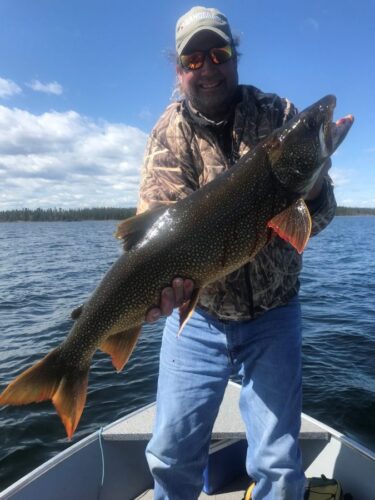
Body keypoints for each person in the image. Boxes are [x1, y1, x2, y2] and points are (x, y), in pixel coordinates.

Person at [137, 6, 336, 499]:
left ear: (234, 57)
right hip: (197, 318)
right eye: (193, 59)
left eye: (219, 53)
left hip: (275, 311)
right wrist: (159, 294)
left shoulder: (281, 116)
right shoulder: (168, 135)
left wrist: (307, 191)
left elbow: (321, 215)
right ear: (179, 69)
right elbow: (154, 235)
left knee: (278, 462)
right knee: (171, 455)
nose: (208, 68)